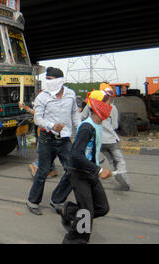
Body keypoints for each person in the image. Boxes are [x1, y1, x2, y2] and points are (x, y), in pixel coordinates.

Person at [26, 67, 81, 215]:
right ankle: (32, 201)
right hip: (47, 139)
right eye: (47, 80)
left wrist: (81, 129)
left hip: (64, 140)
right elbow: (37, 119)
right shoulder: (42, 97)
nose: (48, 82)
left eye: (51, 80)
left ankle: (57, 199)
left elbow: (75, 114)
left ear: (60, 80)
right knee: (43, 172)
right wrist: (52, 126)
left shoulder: (70, 94)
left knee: (73, 170)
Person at [61, 90, 112, 244]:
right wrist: (100, 170)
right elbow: (76, 155)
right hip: (79, 173)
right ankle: (75, 240)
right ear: (97, 106)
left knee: (102, 208)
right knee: (86, 213)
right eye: (108, 104)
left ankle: (68, 211)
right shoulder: (86, 128)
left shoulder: (98, 125)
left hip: (90, 173)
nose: (110, 108)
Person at [81, 84, 131, 191]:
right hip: (111, 140)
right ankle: (122, 177)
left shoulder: (90, 105)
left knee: (103, 159)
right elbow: (115, 126)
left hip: (98, 139)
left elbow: (81, 118)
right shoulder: (113, 107)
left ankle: (90, 181)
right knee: (119, 160)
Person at [19, 101, 58, 178]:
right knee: (45, 152)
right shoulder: (45, 101)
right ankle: (35, 165)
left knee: (50, 151)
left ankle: (52, 169)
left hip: (50, 132)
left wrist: (26, 108)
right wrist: (26, 108)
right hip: (45, 132)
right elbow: (36, 114)